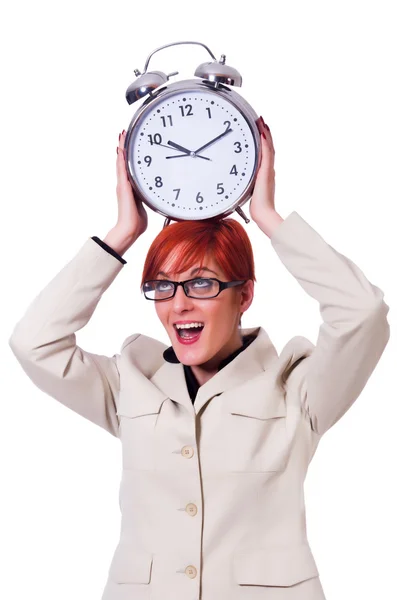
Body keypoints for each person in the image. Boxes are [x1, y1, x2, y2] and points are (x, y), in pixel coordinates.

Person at [8, 124, 390, 600]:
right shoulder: (131, 383)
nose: (179, 304)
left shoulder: (298, 390)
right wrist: (123, 234)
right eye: (163, 286)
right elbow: (33, 342)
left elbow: (362, 313)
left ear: (245, 293)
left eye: (202, 283)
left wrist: (267, 216)